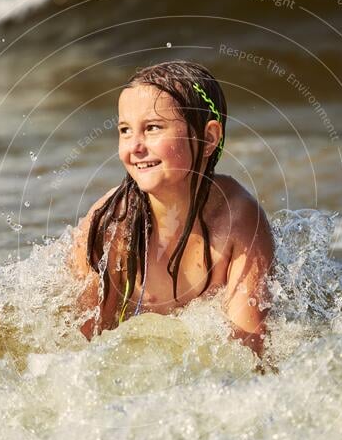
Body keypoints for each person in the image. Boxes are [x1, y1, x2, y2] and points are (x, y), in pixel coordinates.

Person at [70, 60, 274, 358]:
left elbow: (250, 354)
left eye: (152, 128)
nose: (135, 146)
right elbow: (79, 344)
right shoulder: (112, 222)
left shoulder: (239, 221)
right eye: (125, 130)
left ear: (208, 137)